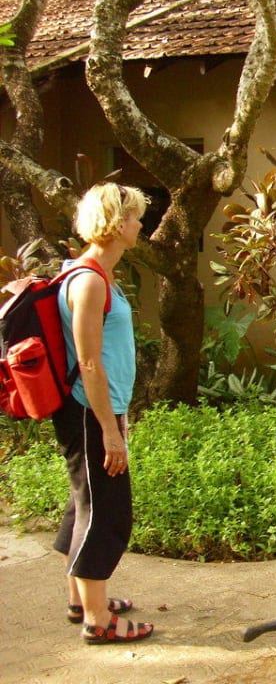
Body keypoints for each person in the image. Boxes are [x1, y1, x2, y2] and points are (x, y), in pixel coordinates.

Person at [52, 182, 154, 645]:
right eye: (133, 216)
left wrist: (117, 417)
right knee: (106, 513)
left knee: (84, 504)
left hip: (100, 410)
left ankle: (82, 600)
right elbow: (89, 360)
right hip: (90, 412)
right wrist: (110, 432)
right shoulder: (90, 280)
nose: (140, 223)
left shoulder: (100, 273)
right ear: (114, 223)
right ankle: (98, 621)